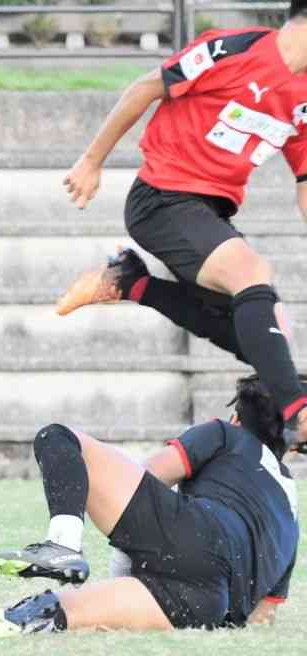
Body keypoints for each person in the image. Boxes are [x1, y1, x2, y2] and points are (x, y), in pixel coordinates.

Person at [56, 1, 307, 449]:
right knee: (252, 276)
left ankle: (131, 283)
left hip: (210, 214)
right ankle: (298, 413)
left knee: (270, 340)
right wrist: (91, 162)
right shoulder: (234, 49)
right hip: (162, 200)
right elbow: (145, 87)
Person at [0, 375, 299, 637]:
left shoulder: (226, 433)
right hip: (209, 603)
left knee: (58, 437)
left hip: (192, 535)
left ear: (236, 418)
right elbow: (263, 616)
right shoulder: (292, 508)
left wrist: (131, 546)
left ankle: (62, 544)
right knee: (43, 614)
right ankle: (31, 618)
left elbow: (150, 477)